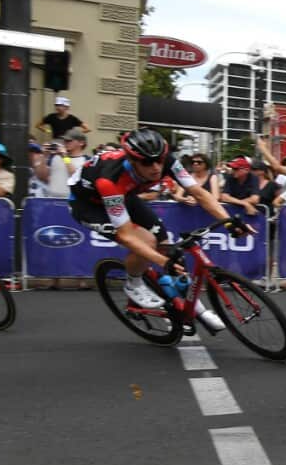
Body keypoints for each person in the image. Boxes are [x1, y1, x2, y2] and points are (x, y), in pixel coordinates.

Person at [68, 128, 244, 332]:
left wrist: (229, 221)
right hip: (89, 205)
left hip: (125, 195)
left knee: (166, 246)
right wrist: (161, 261)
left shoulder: (167, 161)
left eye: (159, 160)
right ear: (133, 161)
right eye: (147, 162)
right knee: (147, 242)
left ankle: (189, 305)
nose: (156, 167)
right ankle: (133, 283)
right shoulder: (110, 177)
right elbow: (126, 236)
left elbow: (199, 193)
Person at [31, 130, 88, 199]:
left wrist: (65, 157)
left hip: (72, 201)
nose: (65, 143)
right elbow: (41, 176)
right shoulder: (55, 157)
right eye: (64, 140)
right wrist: (44, 156)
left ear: (81, 143)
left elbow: (76, 178)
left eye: (69, 141)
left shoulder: (86, 160)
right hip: (52, 198)